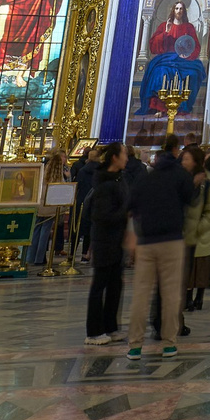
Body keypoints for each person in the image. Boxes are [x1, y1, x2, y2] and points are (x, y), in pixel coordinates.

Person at [128, 135, 193, 357]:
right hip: (171, 240)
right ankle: (169, 343)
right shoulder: (180, 175)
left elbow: (132, 205)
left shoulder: (147, 177)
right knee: (171, 293)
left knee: (141, 294)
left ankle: (135, 345)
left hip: (146, 242)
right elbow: (192, 198)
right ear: (176, 150)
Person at [85, 143, 131, 344]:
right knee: (99, 285)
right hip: (104, 240)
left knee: (115, 285)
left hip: (117, 239)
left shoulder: (119, 179)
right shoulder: (104, 184)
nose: (127, 158)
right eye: (124, 155)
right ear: (115, 158)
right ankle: (94, 332)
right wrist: (126, 212)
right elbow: (102, 216)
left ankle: (110, 327)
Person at [185, 146, 210, 312]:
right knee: (190, 268)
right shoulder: (183, 180)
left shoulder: (207, 184)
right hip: (186, 235)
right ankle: (188, 299)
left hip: (201, 234)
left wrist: (198, 227)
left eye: (187, 159)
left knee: (199, 268)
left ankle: (197, 298)